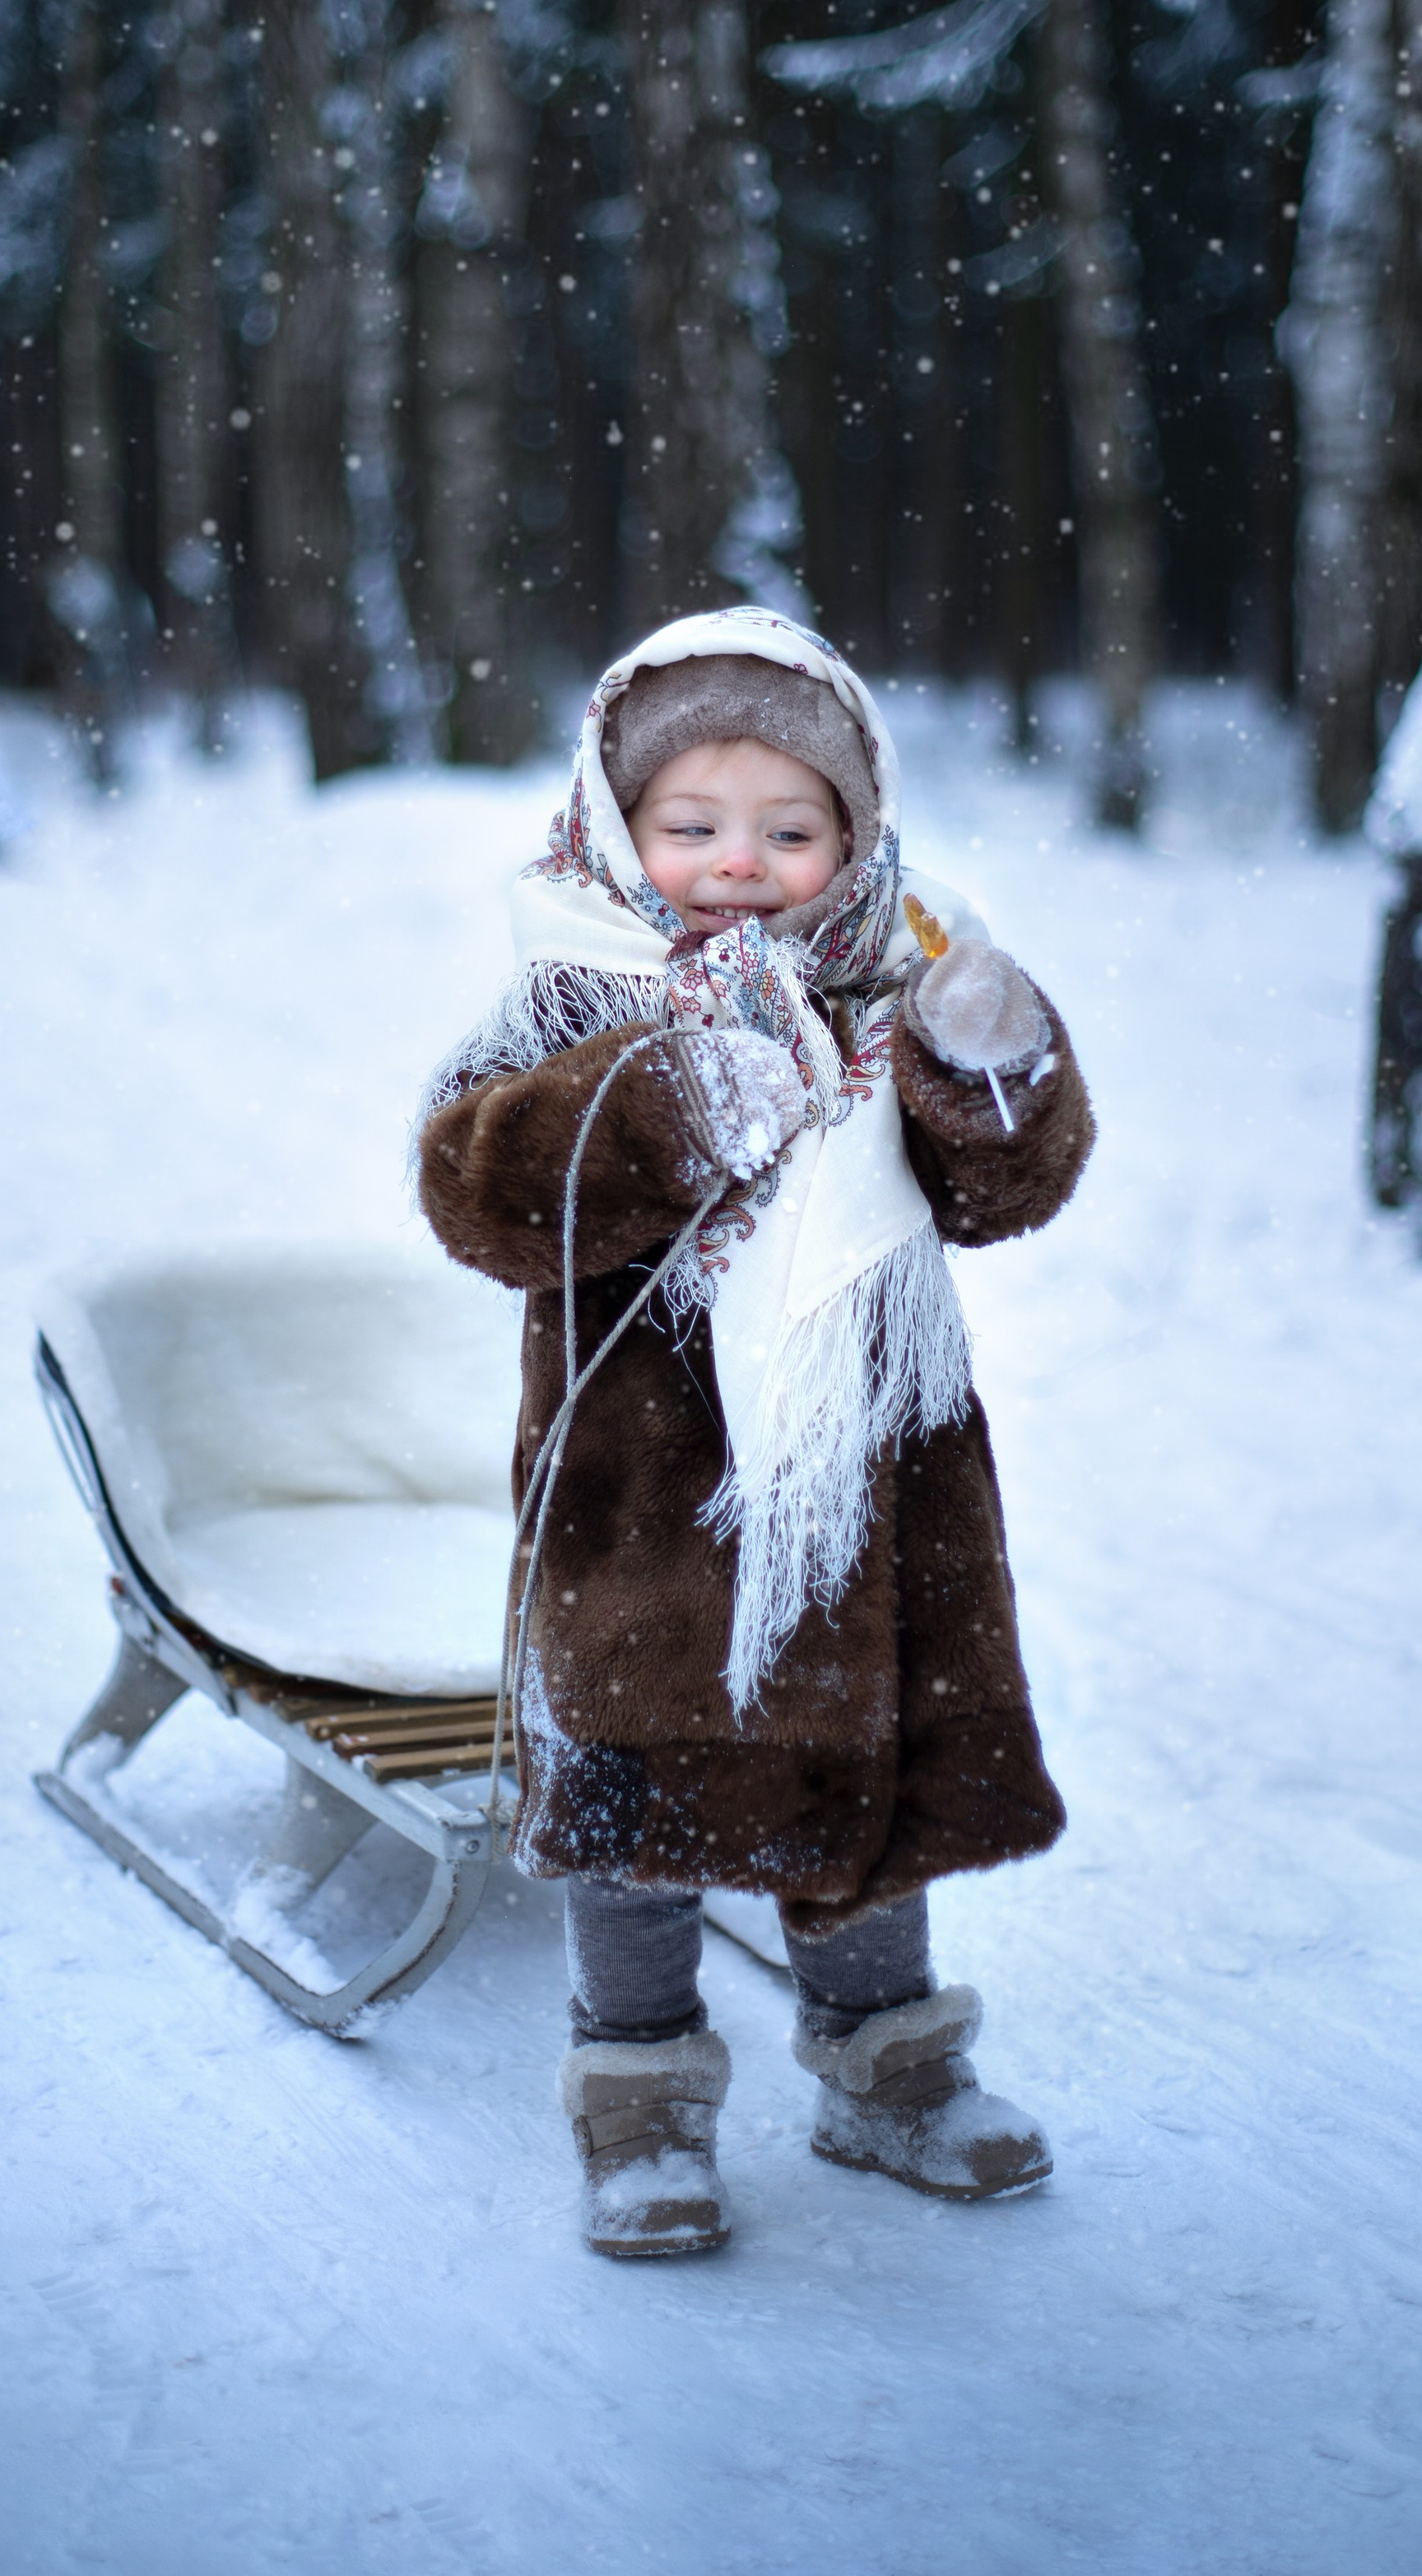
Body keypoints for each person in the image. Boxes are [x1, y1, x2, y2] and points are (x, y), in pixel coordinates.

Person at [416, 606, 1094, 2257]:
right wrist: (645, 1108)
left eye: (790, 831)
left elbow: (1002, 1188)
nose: (739, 865)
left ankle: (887, 2074)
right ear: (617, 826)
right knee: (641, 1795)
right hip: (637, 1490)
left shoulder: (909, 975)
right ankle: (638, 2095)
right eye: (692, 827)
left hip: (868, 1479)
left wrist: (987, 1073)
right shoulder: (564, 985)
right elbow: (473, 1188)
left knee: (862, 1773)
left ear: (853, 839)